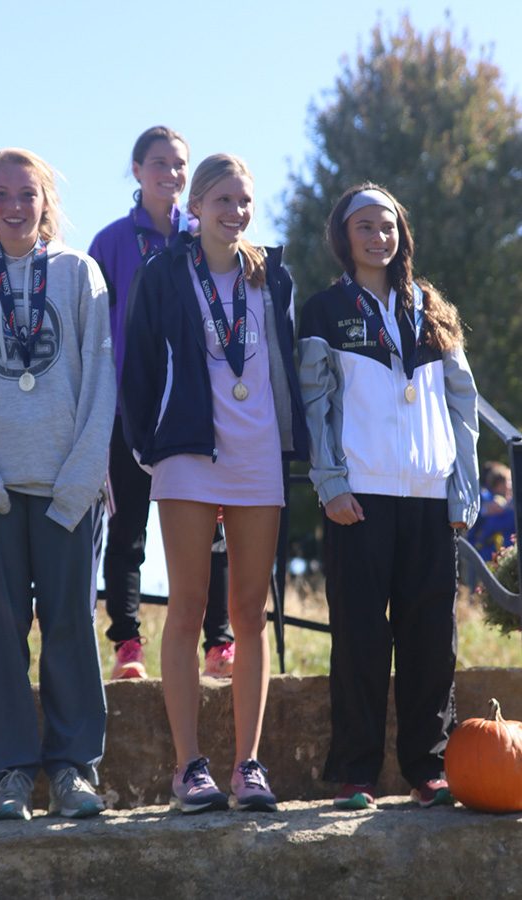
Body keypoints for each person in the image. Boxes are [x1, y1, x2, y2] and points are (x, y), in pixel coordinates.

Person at [122, 153, 308, 813]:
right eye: (223, 201)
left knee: (249, 615)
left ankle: (247, 765)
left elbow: (288, 364)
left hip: (258, 456)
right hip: (188, 456)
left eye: (245, 202)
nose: (236, 213)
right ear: (195, 207)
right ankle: (188, 768)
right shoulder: (165, 272)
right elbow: (138, 366)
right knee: (188, 608)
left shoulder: (270, 276)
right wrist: (147, 448)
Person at [0, 148, 116, 821]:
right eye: (2, 195)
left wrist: (81, 481)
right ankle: (12, 773)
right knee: (3, 632)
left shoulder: (79, 274)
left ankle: (74, 769)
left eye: (28, 194)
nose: (15, 207)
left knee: (70, 625)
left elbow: (101, 383)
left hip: (66, 490)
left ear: (46, 200)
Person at [298, 183, 479, 810]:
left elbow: (462, 405)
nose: (379, 237)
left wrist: (464, 487)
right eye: (365, 228)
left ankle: (429, 768)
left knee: (432, 638)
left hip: (429, 497)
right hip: (361, 497)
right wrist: (330, 482)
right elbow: (315, 402)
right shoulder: (325, 311)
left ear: (402, 232)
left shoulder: (431, 307)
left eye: (388, 226)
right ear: (344, 238)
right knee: (359, 639)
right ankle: (356, 773)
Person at [89, 126, 234, 680]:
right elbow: (94, 329)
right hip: (128, 410)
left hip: (195, 408)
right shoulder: (109, 243)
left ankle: (218, 642)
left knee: (210, 527)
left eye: (179, 164)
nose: (170, 174)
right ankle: (128, 645)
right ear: (136, 170)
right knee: (127, 532)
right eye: (158, 163)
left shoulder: (206, 237)